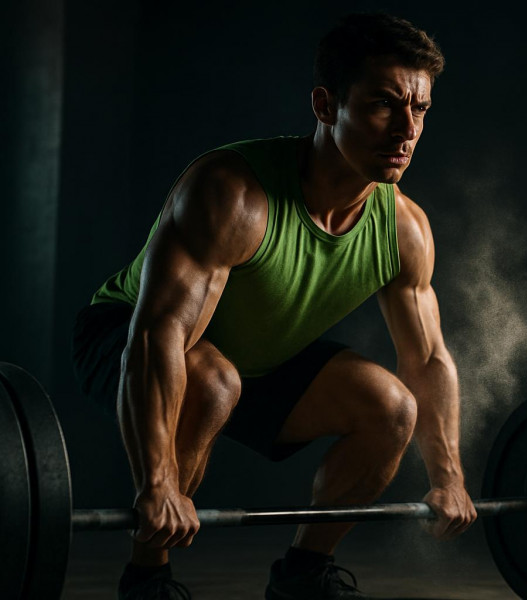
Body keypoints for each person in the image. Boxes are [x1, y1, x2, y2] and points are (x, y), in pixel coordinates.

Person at [71, 13, 477, 600]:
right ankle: (147, 577)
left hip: (256, 358)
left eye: (420, 109)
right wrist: (156, 484)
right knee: (214, 382)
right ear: (325, 105)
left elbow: (429, 358)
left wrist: (449, 479)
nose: (406, 130)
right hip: (128, 335)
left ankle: (303, 576)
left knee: (392, 408)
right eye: (383, 105)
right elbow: (161, 334)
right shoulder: (233, 192)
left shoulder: (404, 229)